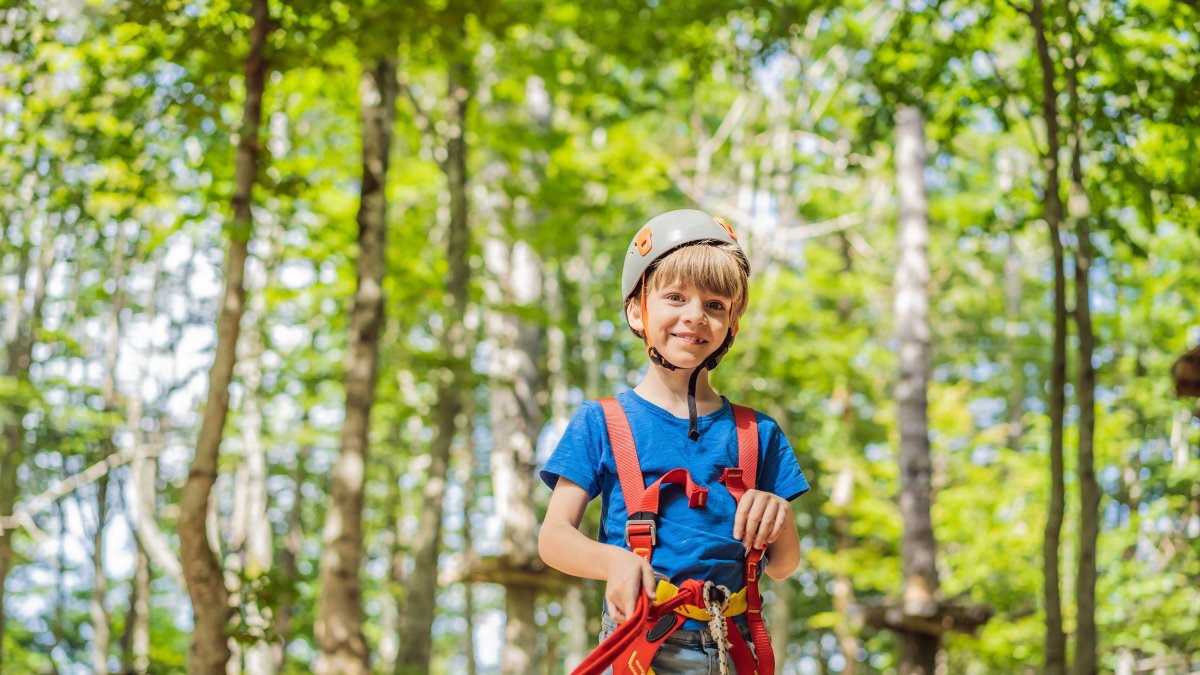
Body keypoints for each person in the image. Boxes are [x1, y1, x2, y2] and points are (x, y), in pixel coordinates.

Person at [538, 209, 810, 673]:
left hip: (734, 646)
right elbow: (553, 538)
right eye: (675, 297)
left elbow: (782, 566)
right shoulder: (602, 422)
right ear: (636, 311)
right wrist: (614, 563)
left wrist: (778, 515)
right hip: (640, 645)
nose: (694, 316)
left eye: (715, 305)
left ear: (732, 326)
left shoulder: (757, 434)